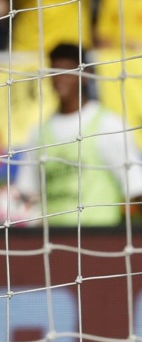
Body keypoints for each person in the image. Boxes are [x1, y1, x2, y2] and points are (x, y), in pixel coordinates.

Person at [12, 43, 142, 227]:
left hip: (98, 240)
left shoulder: (108, 125)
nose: (59, 80)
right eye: (54, 72)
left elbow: (135, 186)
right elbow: (27, 192)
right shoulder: (39, 133)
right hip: (52, 244)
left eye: (66, 72)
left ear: (84, 76)